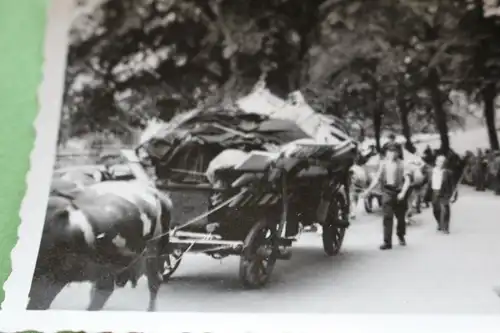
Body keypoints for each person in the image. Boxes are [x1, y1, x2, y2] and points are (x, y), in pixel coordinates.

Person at [364, 143, 412, 250]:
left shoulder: (403, 164)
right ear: (386, 153)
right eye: (389, 152)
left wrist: (403, 193)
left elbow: (407, 181)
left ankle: (401, 235)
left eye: (393, 151)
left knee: (400, 218)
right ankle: (387, 242)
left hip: (399, 192)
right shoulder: (383, 164)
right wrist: (368, 191)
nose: (391, 154)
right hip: (387, 191)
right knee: (387, 217)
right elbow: (376, 179)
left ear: (397, 153)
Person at [430, 154, 455, 234]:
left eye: (443, 161)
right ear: (436, 162)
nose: (441, 163)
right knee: (436, 210)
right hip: (434, 191)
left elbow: (452, 185)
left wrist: (453, 195)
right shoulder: (431, 171)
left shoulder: (448, 173)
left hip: (444, 193)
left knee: (445, 210)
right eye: (440, 161)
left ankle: (445, 227)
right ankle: (439, 223)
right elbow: (426, 182)